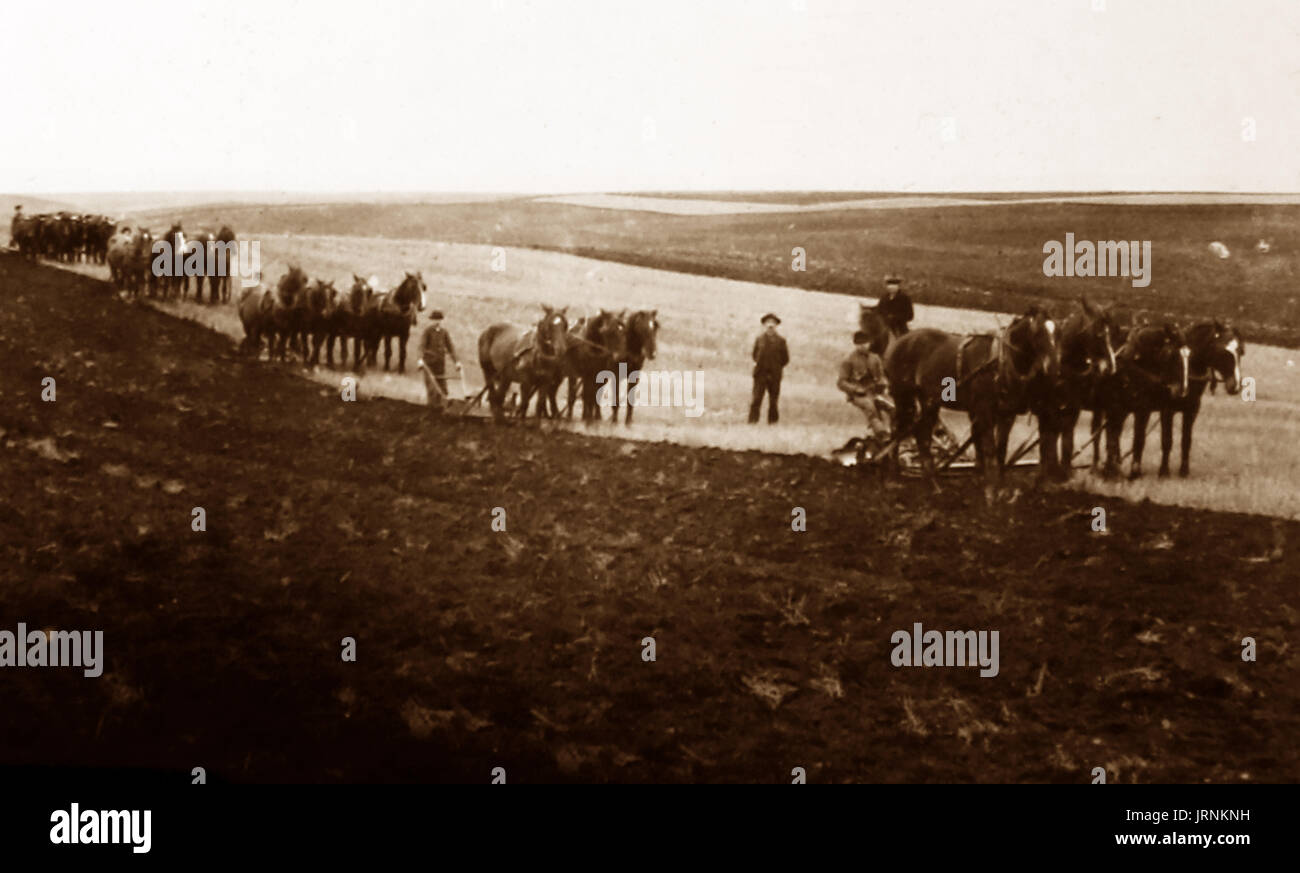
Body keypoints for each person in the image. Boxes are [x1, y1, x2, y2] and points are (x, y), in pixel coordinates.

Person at [838, 330, 891, 446]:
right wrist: (855, 390)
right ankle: (882, 434)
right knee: (870, 407)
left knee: (891, 406)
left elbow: (881, 376)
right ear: (856, 345)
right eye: (860, 344)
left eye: (866, 343)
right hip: (859, 394)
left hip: (875, 391)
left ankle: (894, 431)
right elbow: (841, 382)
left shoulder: (875, 358)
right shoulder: (848, 360)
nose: (863, 346)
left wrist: (883, 384)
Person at [417, 310, 462, 412]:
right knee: (433, 389)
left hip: (440, 364)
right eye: (435, 320)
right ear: (431, 320)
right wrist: (420, 359)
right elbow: (421, 346)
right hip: (429, 364)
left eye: (439, 319)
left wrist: (457, 362)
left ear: (442, 320)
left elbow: (451, 348)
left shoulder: (444, 332)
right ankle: (431, 410)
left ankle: (443, 408)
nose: (437, 322)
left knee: (443, 389)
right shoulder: (428, 331)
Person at [749, 313, 789, 424]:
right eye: (768, 323)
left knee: (773, 401)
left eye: (773, 323)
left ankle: (772, 423)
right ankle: (752, 422)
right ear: (764, 325)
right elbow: (754, 355)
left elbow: (785, 359)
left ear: (776, 325)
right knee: (756, 400)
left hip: (775, 376)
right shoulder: (759, 339)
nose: (770, 325)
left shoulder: (781, 341)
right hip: (760, 375)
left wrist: (775, 368)